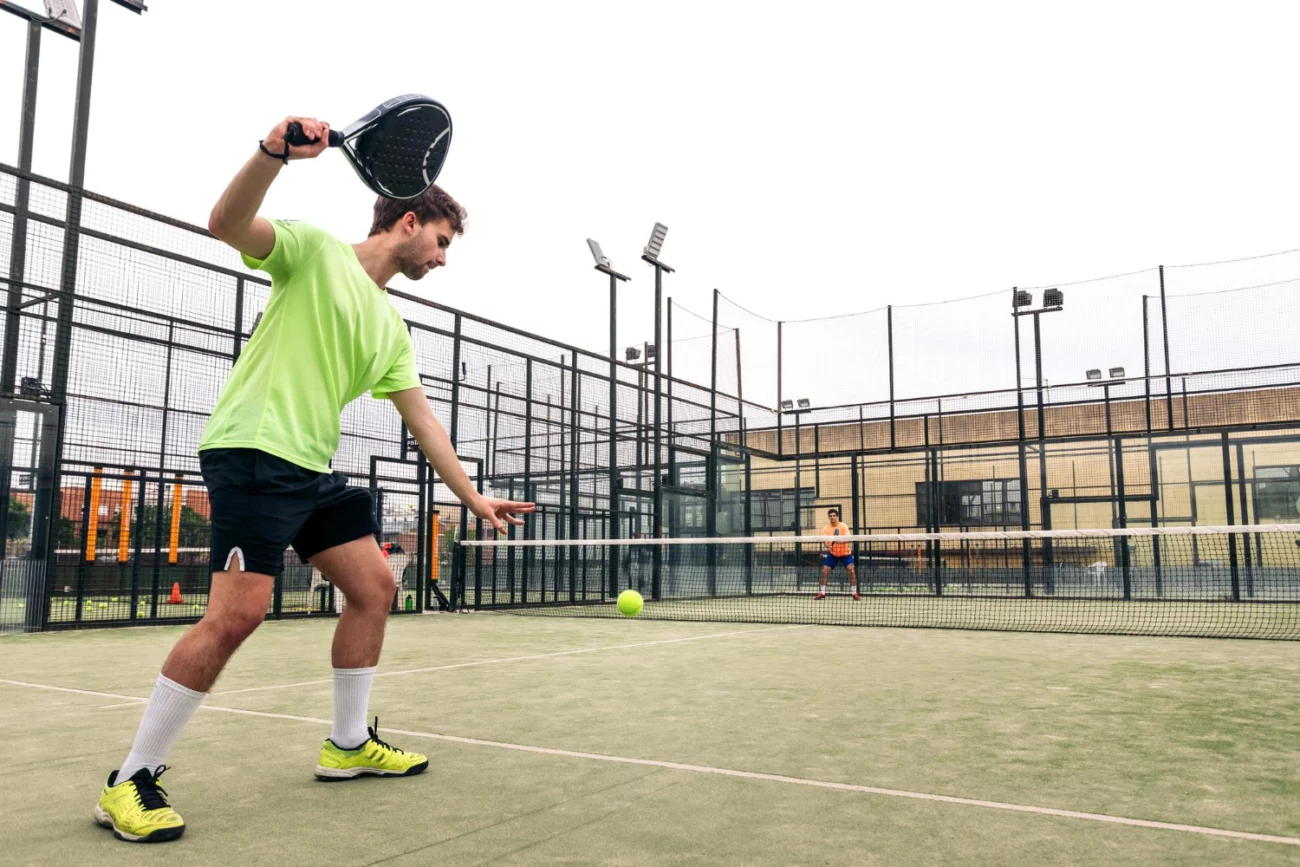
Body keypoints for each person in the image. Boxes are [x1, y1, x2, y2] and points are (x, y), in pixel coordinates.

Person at [94, 115, 535, 843]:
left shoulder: (391, 330)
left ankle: (348, 743)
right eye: (442, 242)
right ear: (409, 221)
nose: (443, 259)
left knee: (375, 586)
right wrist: (273, 154)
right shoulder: (314, 250)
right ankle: (129, 779)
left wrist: (473, 497)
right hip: (254, 451)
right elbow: (225, 223)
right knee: (236, 616)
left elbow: (425, 422)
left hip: (309, 468)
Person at [815, 508, 858, 600]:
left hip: (845, 553)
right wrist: (828, 547)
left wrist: (839, 540)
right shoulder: (825, 529)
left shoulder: (843, 526)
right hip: (833, 554)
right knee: (824, 571)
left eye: (834, 516)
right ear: (829, 517)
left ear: (837, 516)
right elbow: (826, 542)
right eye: (830, 516)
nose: (832, 517)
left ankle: (854, 593)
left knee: (851, 571)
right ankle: (822, 592)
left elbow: (847, 538)